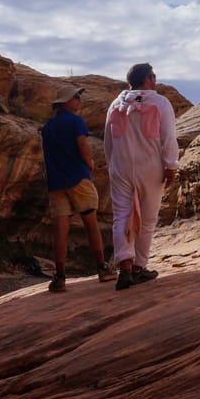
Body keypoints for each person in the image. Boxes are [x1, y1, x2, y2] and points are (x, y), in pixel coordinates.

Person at [104, 63, 179, 291]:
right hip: (151, 166)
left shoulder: (116, 104)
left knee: (120, 216)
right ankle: (139, 267)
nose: (155, 79)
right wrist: (171, 165)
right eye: (153, 76)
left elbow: (108, 140)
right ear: (147, 79)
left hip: (121, 166)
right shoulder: (160, 103)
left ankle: (124, 266)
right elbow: (168, 137)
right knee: (147, 219)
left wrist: (112, 165)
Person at [40, 84, 117, 292]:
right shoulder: (76, 122)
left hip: (56, 183)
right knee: (91, 224)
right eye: (75, 98)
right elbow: (82, 145)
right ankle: (102, 269)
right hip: (78, 179)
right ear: (66, 102)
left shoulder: (48, 127)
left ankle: (60, 277)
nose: (78, 101)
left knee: (60, 230)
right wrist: (90, 163)